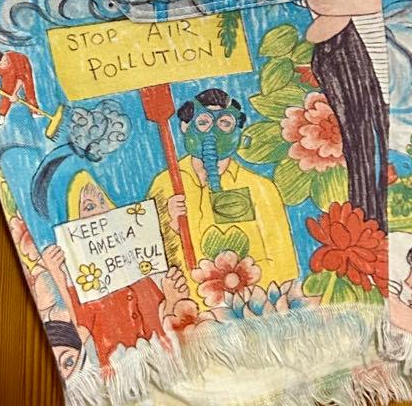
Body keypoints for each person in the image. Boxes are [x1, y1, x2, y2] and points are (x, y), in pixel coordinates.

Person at [147, 88, 300, 302]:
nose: (213, 133)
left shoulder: (260, 188)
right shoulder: (165, 185)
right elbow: (151, 264)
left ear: (237, 131)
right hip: (188, 309)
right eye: (203, 123)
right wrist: (170, 225)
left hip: (250, 305)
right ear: (185, 126)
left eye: (225, 124)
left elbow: (284, 267)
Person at [39, 171, 188, 368]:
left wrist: (174, 225)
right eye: (89, 207)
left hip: (167, 361)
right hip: (122, 371)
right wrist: (57, 275)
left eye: (103, 202)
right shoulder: (84, 288)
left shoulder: (142, 269)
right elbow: (79, 332)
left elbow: (165, 312)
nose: (101, 211)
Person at [304, 0, 391, 230]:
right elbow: (316, 28)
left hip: (389, 87)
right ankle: (370, 224)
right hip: (356, 88)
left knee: (386, 154)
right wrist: (368, 0)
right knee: (363, 156)